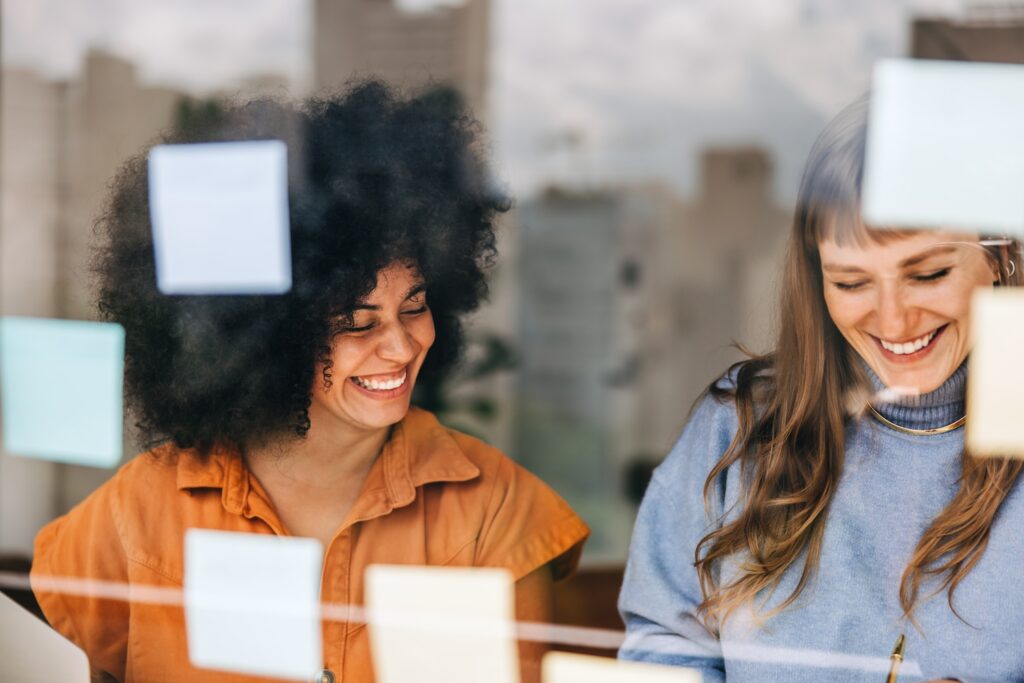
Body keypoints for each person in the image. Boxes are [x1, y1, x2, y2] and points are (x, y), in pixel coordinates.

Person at [31, 82, 589, 683]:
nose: (401, 346)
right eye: (356, 321)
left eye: (415, 305)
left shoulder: (495, 509)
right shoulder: (138, 511)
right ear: (267, 334)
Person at [618, 98, 1024, 682]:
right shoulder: (741, 423)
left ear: (1001, 254)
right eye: (851, 282)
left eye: (928, 274)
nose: (894, 320)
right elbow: (665, 642)